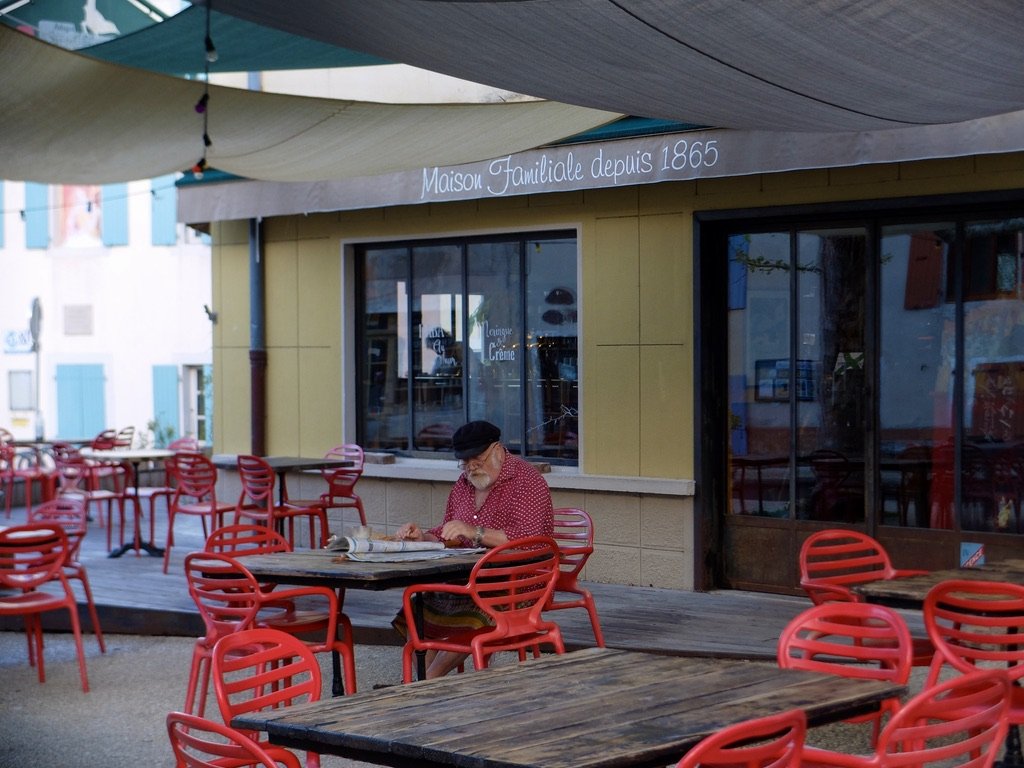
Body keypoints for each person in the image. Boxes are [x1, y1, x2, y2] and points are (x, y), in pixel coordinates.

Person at [393, 419, 553, 678]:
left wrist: (474, 532)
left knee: (475, 615)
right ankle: (421, 683)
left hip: (518, 584)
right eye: (465, 463)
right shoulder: (463, 483)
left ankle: (426, 682)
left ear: (498, 450)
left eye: (477, 459)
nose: (471, 468)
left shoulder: (527, 481)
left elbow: (530, 539)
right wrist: (424, 536)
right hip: (472, 579)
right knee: (417, 608)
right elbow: (451, 532)